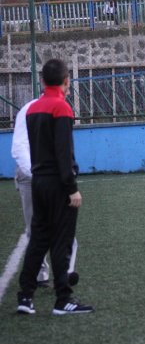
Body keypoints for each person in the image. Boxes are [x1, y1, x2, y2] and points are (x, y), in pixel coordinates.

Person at [17, 59, 93, 315]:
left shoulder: (31, 109)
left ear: (42, 81)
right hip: (58, 184)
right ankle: (63, 299)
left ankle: (25, 296)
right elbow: (63, 152)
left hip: (38, 182)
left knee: (38, 240)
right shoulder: (62, 108)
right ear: (66, 80)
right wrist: (71, 187)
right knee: (62, 240)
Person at [12, 98, 80, 289]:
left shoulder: (62, 109)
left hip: (54, 177)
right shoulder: (29, 109)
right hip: (32, 176)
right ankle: (38, 277)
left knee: (64, 227)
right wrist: (37, 175)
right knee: (36, 229)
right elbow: (19, 147)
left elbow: (63, 148)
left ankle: (65, 273)